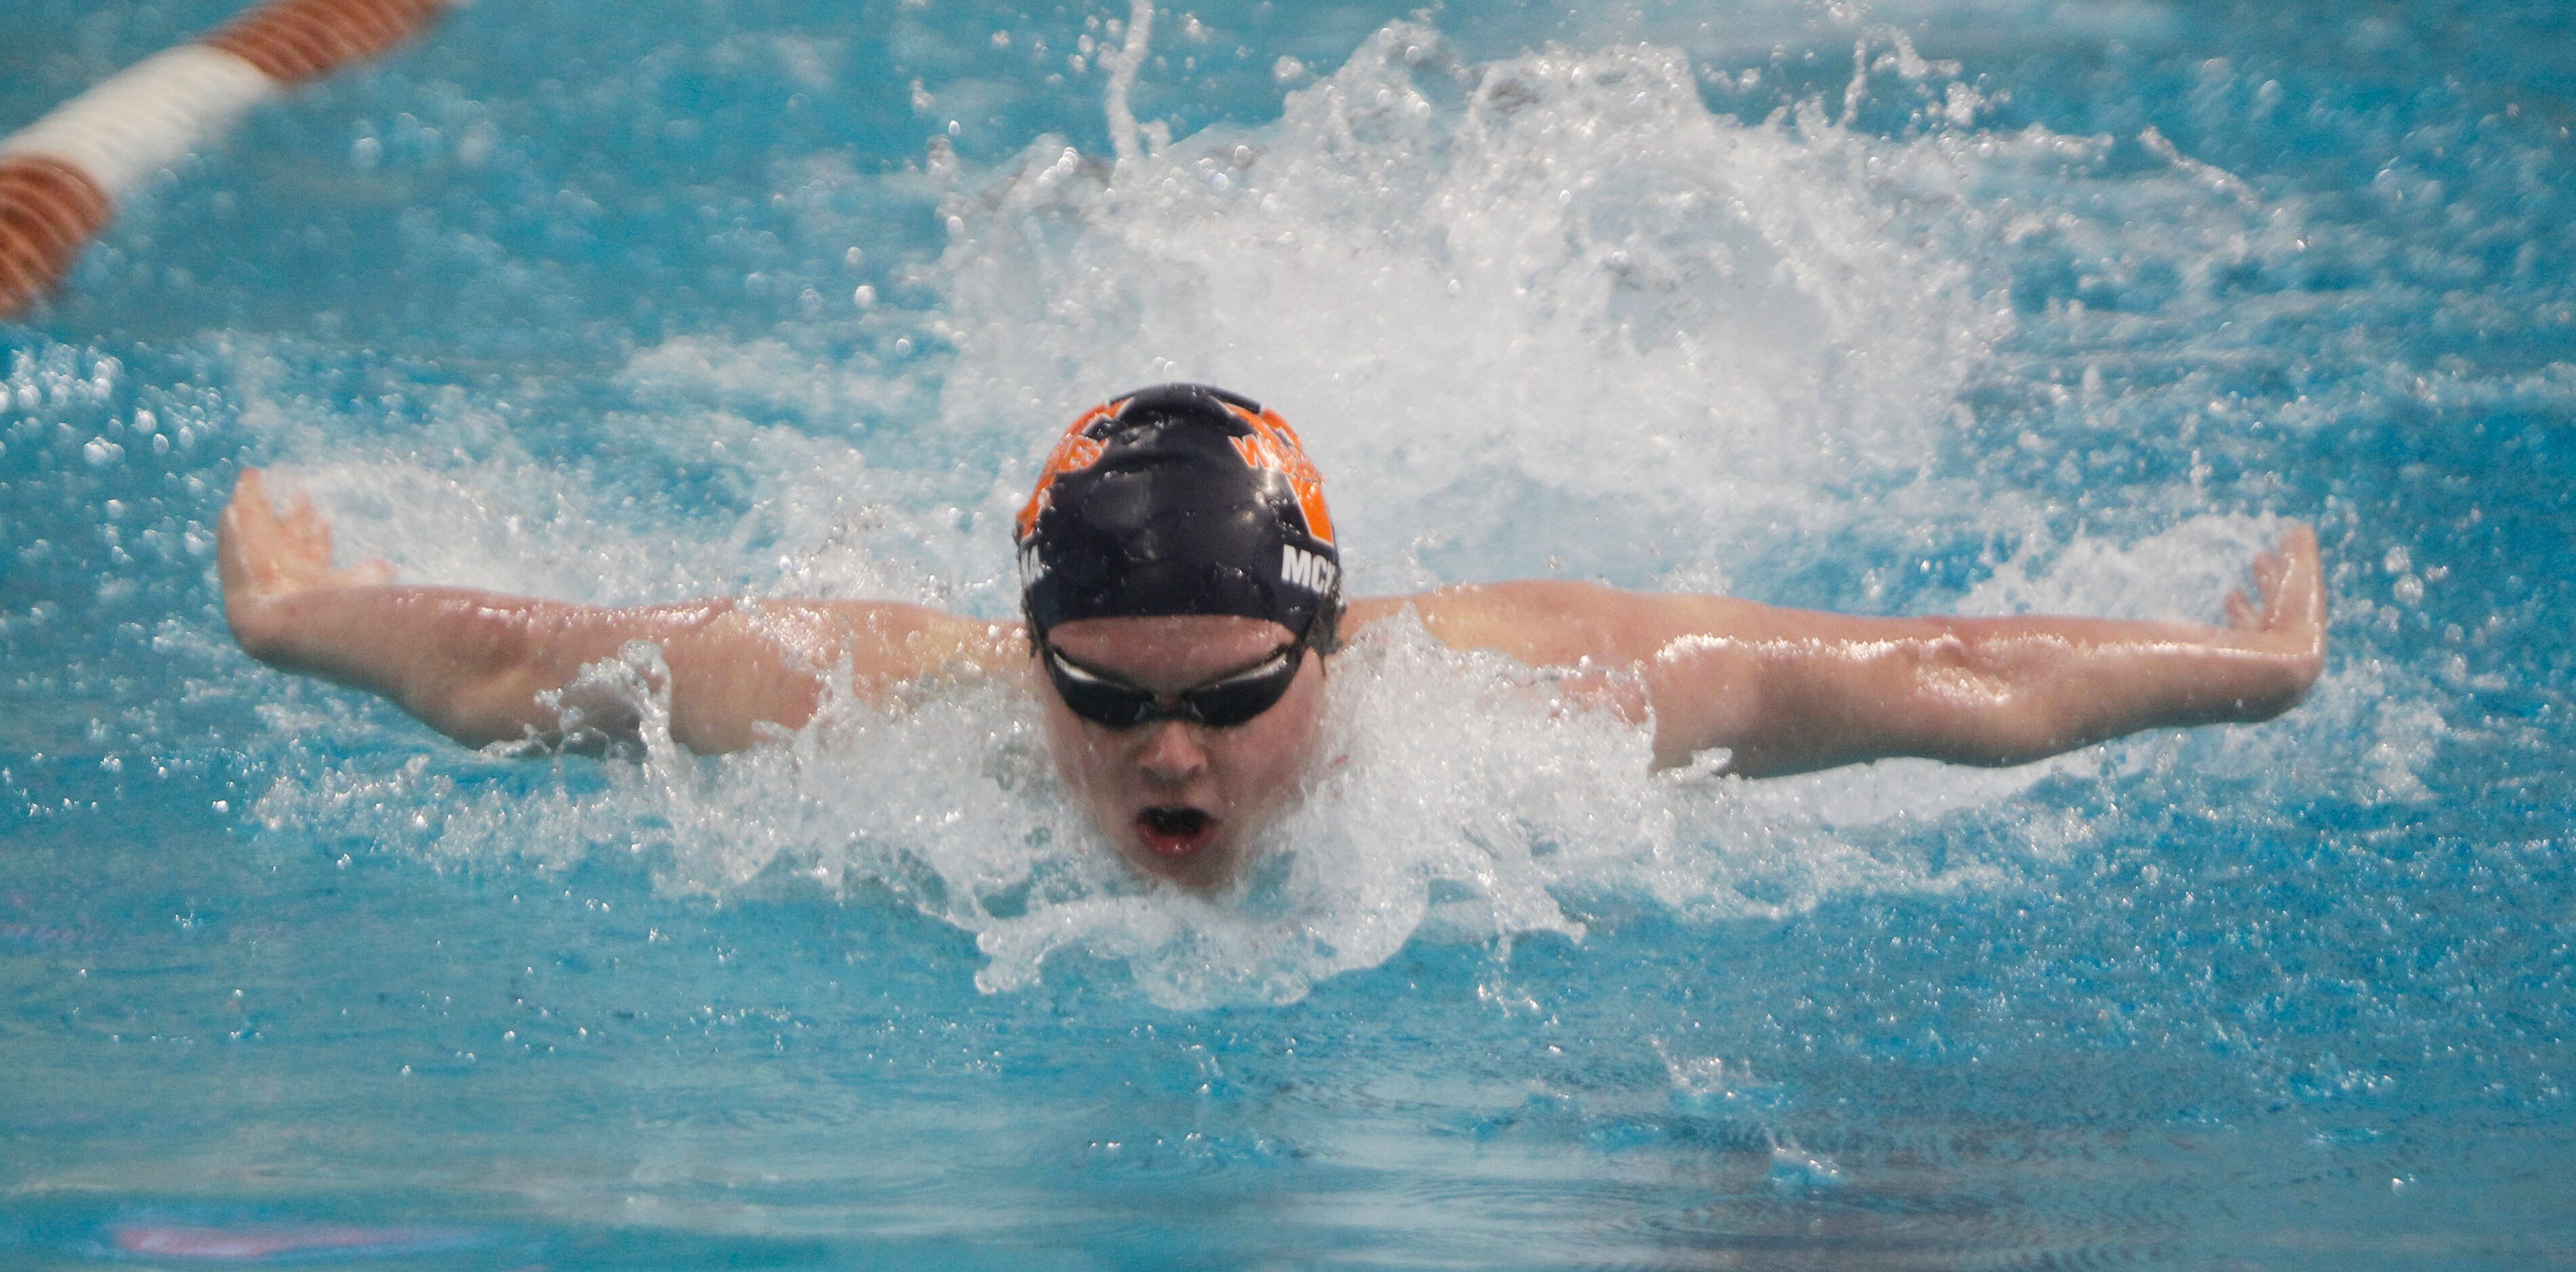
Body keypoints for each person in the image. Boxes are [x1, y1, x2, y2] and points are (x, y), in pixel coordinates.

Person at [219, 382, 2327, 888]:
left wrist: (2249, 668)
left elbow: (1946, 681)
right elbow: (522, 670)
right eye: (1107, 704)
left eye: (1239, 701)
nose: (1173, 765)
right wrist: (301, 616)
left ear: (1327, 651)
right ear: (1021, 651)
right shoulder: (884, 704)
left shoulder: (1536, 697)